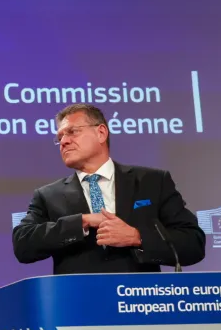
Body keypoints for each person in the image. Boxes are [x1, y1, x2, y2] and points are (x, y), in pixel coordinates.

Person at [12, 104, 205, 274]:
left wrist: (138, 237)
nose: (63, 141)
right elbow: (23, 244)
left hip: (139, 303)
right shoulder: (48, 195)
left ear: (101, 133)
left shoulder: (152, 182)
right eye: (60, 137)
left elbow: (193, 243)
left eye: (72, 132)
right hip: (78, 306)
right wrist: (82, 221)